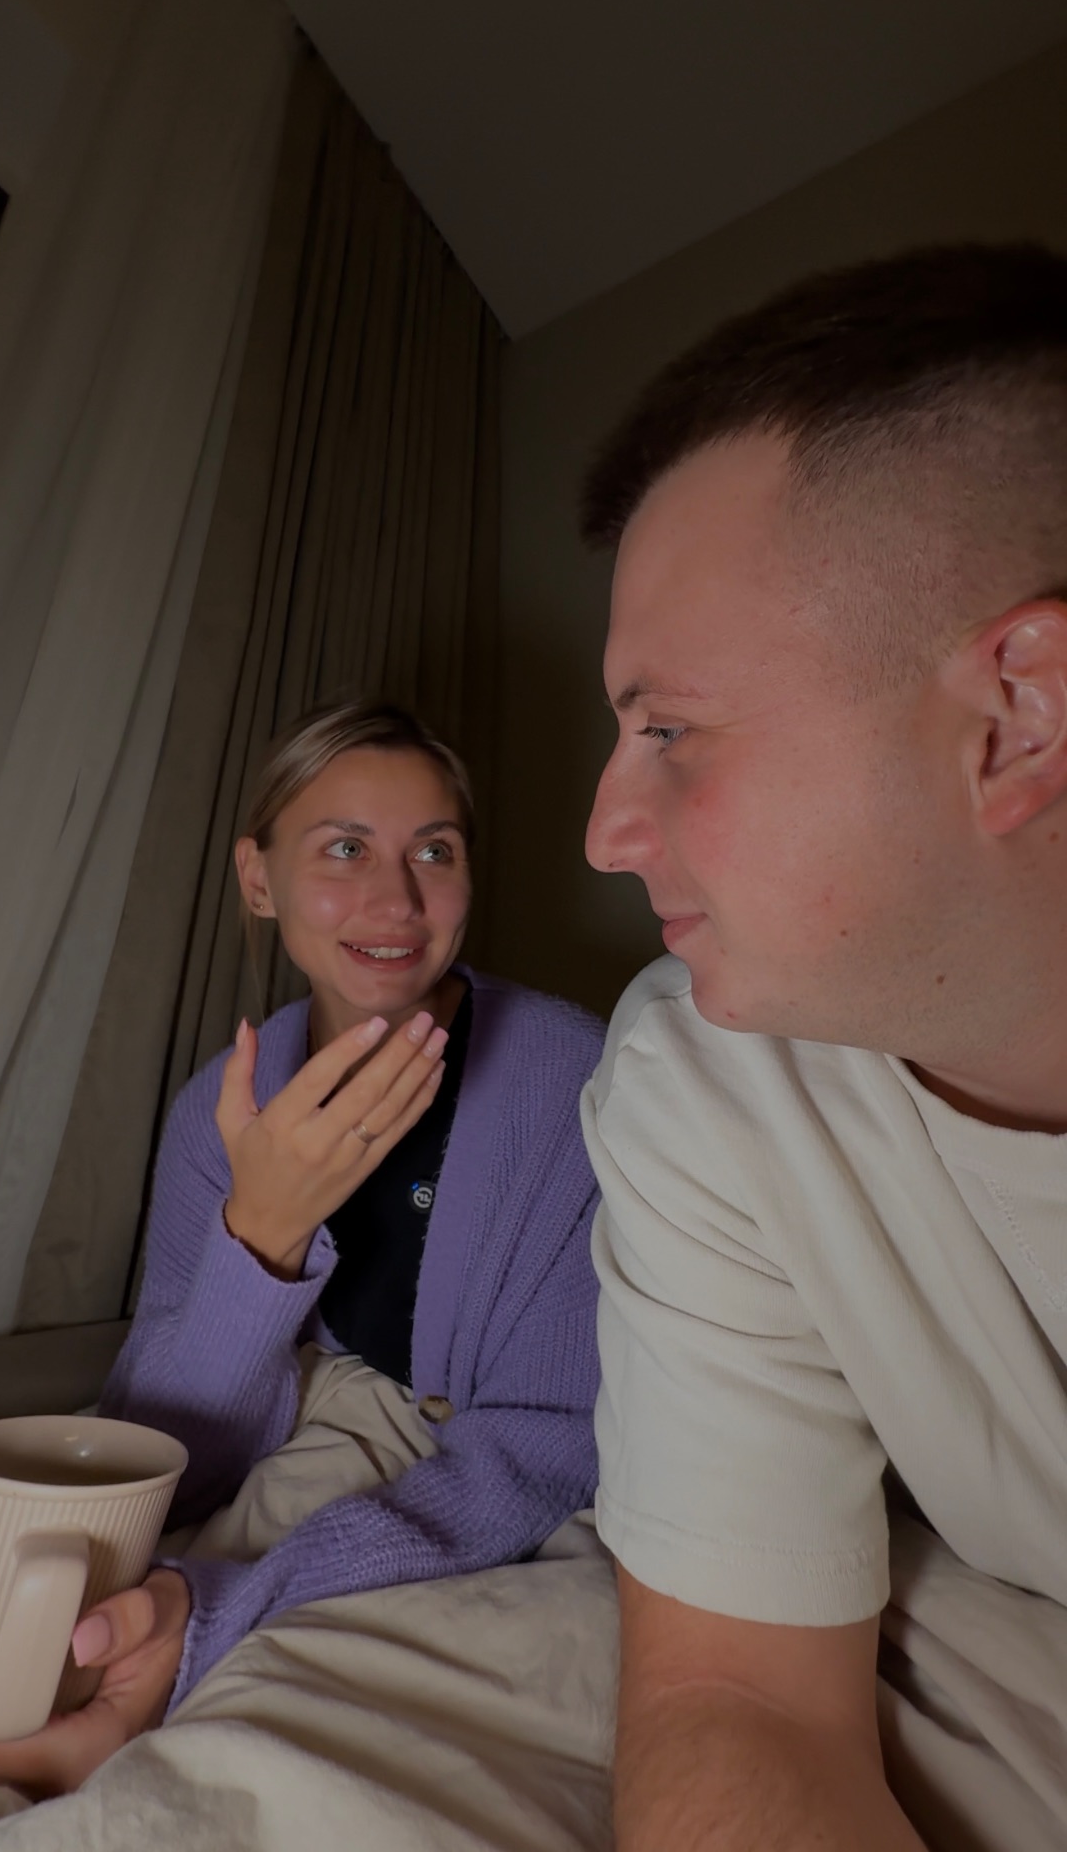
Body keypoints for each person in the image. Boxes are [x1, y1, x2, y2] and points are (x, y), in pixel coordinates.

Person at [578, 243, 1067, 1851]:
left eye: (670, 729)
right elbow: (739, 1698)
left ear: (1019, 719)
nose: (602, 833)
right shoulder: (704, 1084)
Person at [0, 699, 604, 1798]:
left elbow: (547, 1453)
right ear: (258, 879)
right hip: (276, 1469)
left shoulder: (578, 1089)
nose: (398, 899)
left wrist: (218, 1610)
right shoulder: (213, 1113)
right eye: (344, 849)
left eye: (435, 851)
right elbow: (168, 1449)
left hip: (464, 1508)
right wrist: (260, 1235)